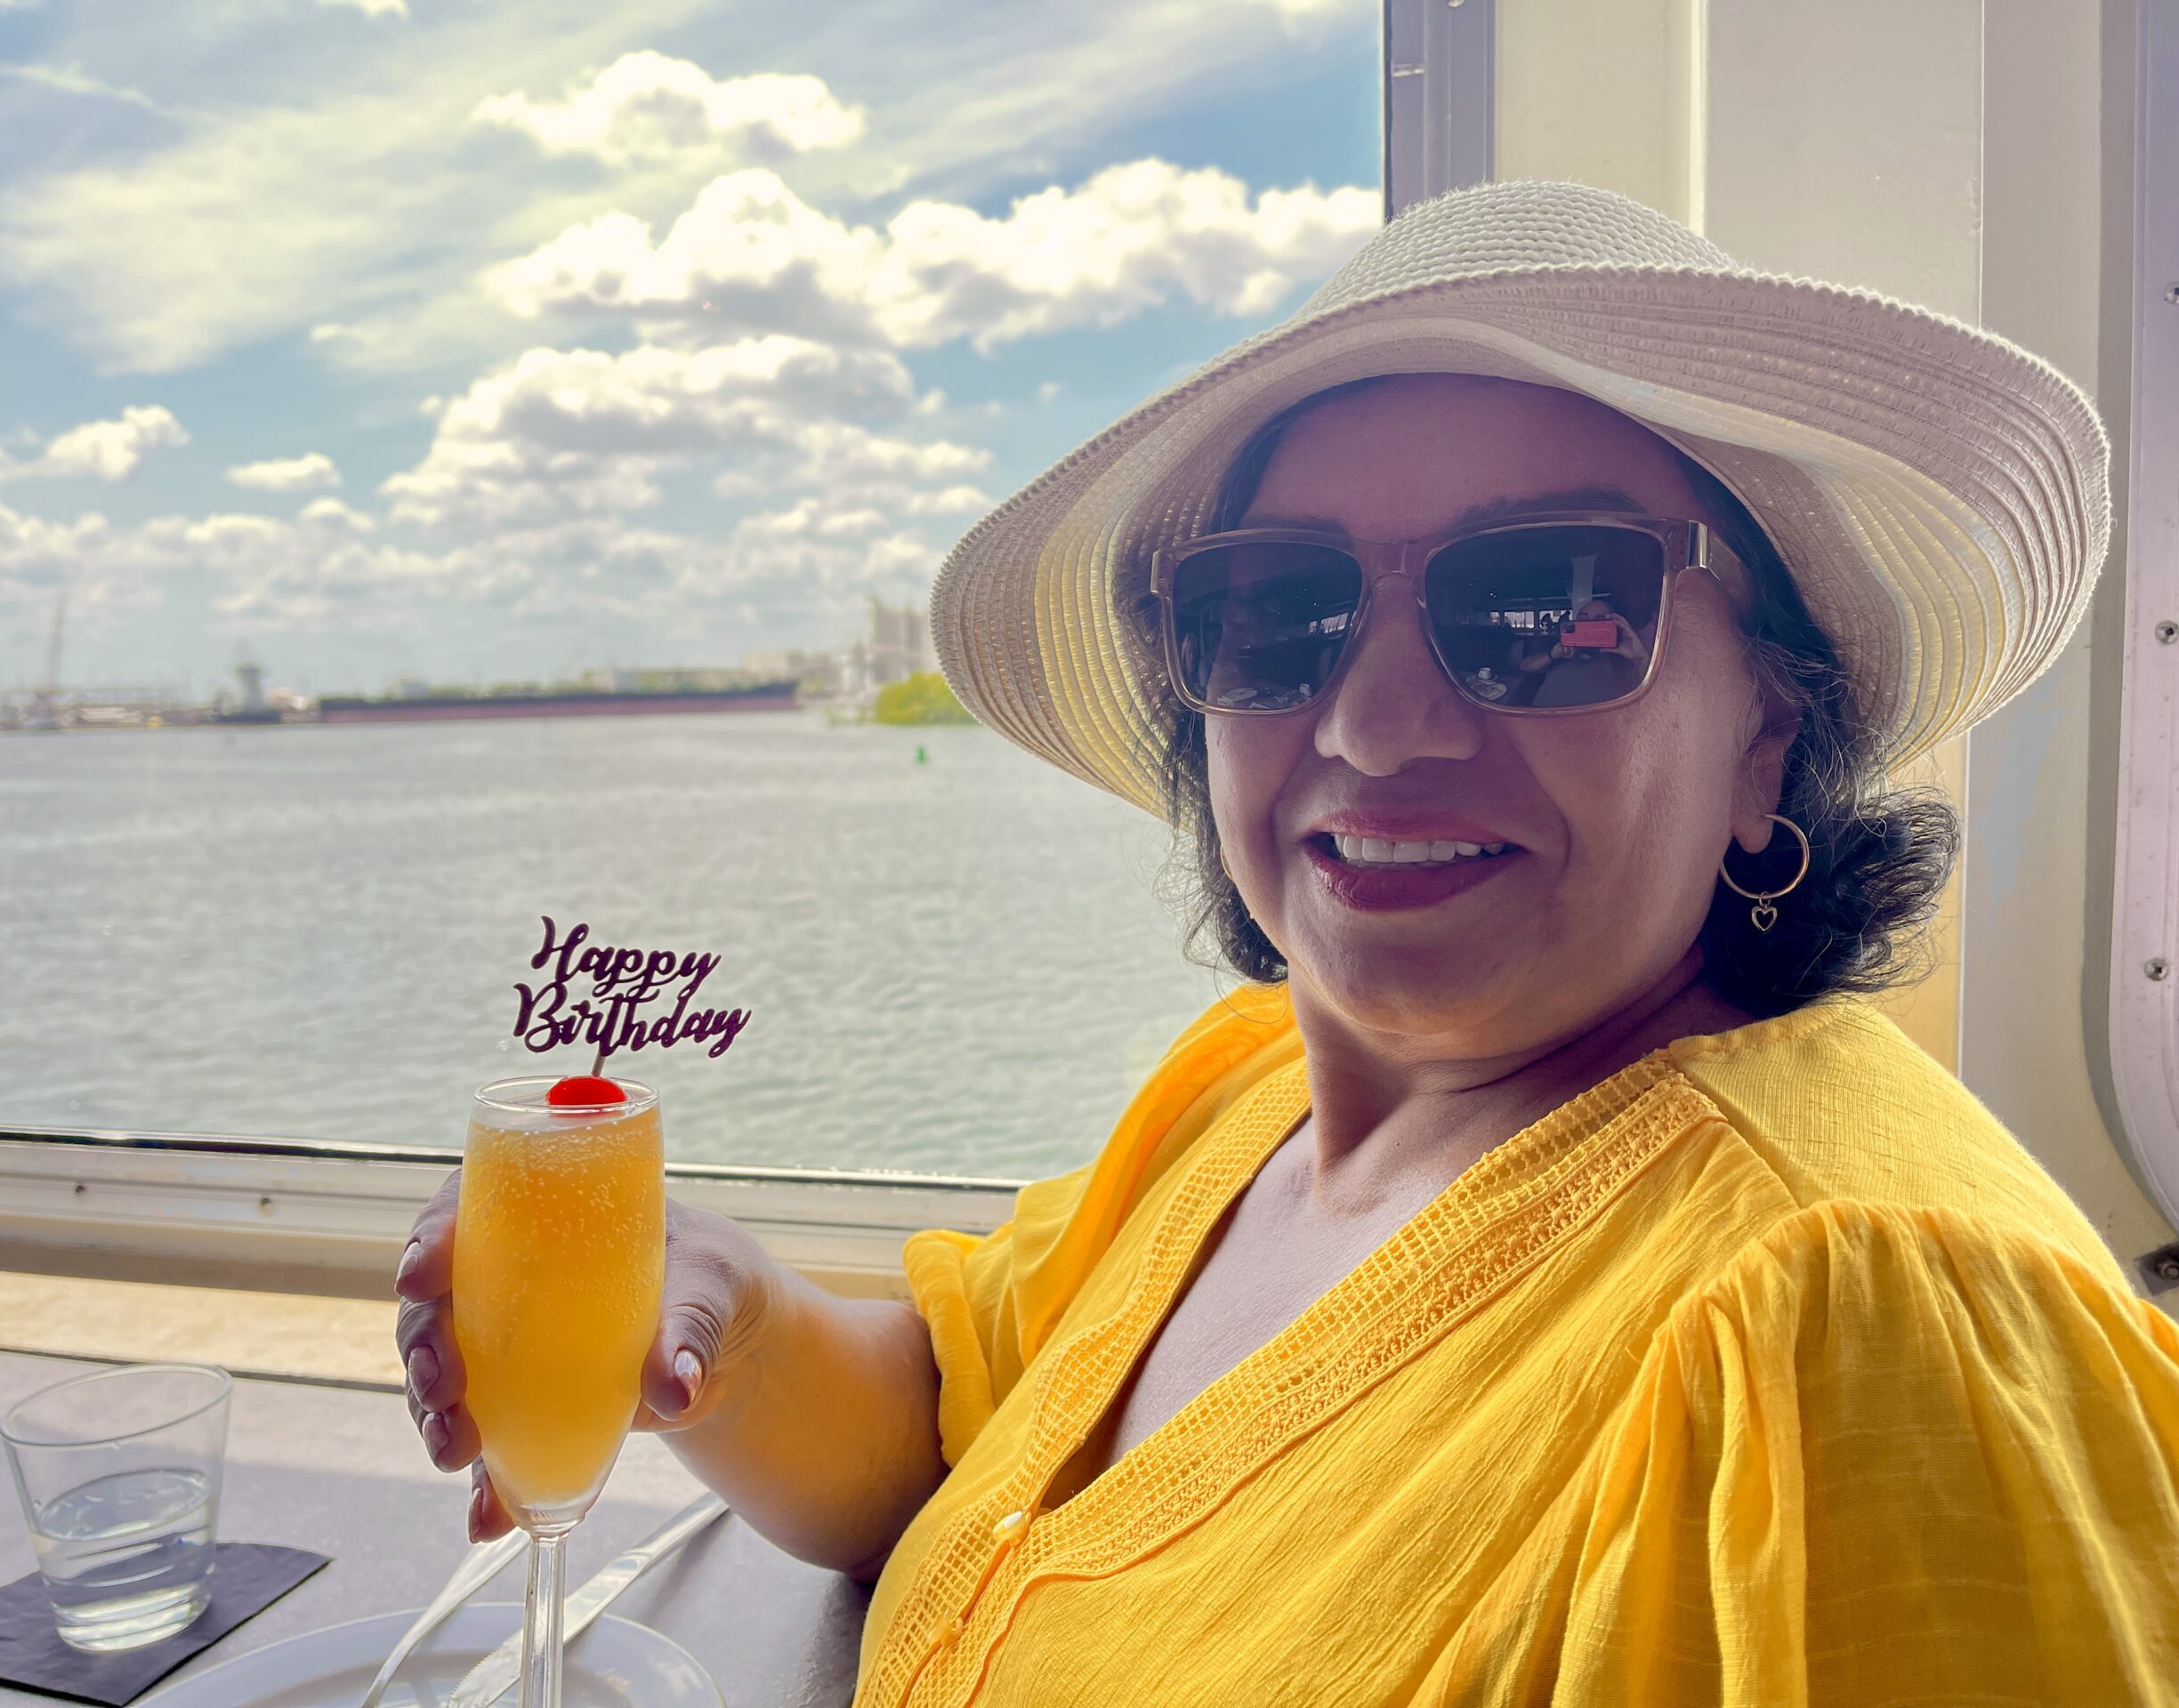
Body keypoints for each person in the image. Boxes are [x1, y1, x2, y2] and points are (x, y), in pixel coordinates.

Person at [395, 181, 2179, 1704]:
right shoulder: (1248, 1092)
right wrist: (708, 1306)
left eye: (1543, 604)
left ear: (1765, 736)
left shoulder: (1854, 1316)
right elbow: (973, 1430)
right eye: (1275, 611)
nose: (1378, 723)